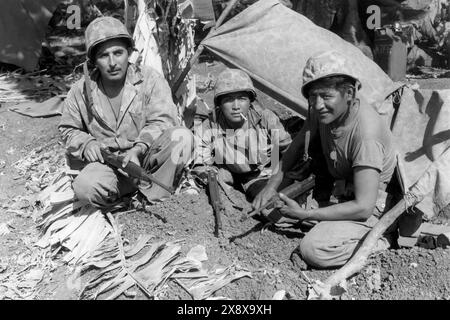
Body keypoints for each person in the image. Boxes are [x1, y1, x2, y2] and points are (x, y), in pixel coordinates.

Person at [253, 51, 401, 268]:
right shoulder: (322, 111)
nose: (318, 104)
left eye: (326, 96)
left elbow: (363, 207)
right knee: (270, 208)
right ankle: (323, 217)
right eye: (312, 96)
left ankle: (382, 238)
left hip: (371, 206)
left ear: (349, 93)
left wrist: (305, 214)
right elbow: (298, 144)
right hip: (340, 190)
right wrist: (272, 186)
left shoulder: (366, 136)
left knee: (313, 250)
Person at [59, 16, 193, 208]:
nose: (112, 62)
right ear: (94, 61)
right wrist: (86, 143)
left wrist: (138, 149)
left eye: (118, 52)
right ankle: (124, 195)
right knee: (85, 188)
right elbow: (68, 129)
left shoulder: (149, 80)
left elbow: (163, 120)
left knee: (182, 136)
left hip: (146, 161)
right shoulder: (80, 91)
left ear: (129, 52)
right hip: (109, 165)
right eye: (104, 56)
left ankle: (154, 197)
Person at [192, 68, 292, 201]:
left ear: (250, 101)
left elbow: (290, 150)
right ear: (219, 104)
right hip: (250, 179)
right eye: (228, 100)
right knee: (267, 203)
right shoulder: (210, 125)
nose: (236, 106)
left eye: (242, 98)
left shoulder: (265, 118)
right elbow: (199, 161)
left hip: (273, 173)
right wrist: (211, 173)